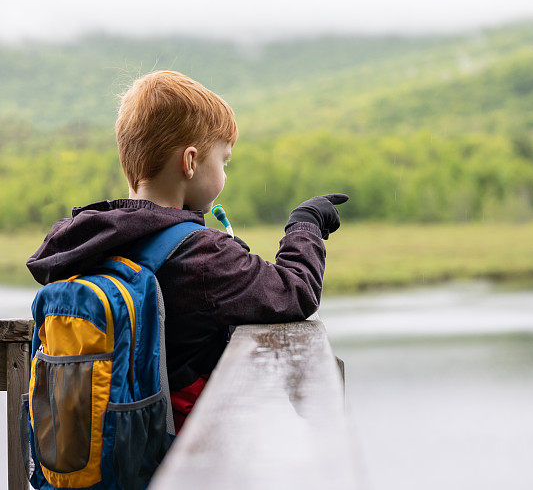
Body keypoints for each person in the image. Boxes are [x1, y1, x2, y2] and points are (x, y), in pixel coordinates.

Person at [26, 70, 348, 433]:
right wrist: (304, 225)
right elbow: (295, 291)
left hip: (93, 456)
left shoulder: (87, 242)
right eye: (223, 161)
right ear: (191, 161)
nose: (225, 174)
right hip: (181, 459)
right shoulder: (202, 254)